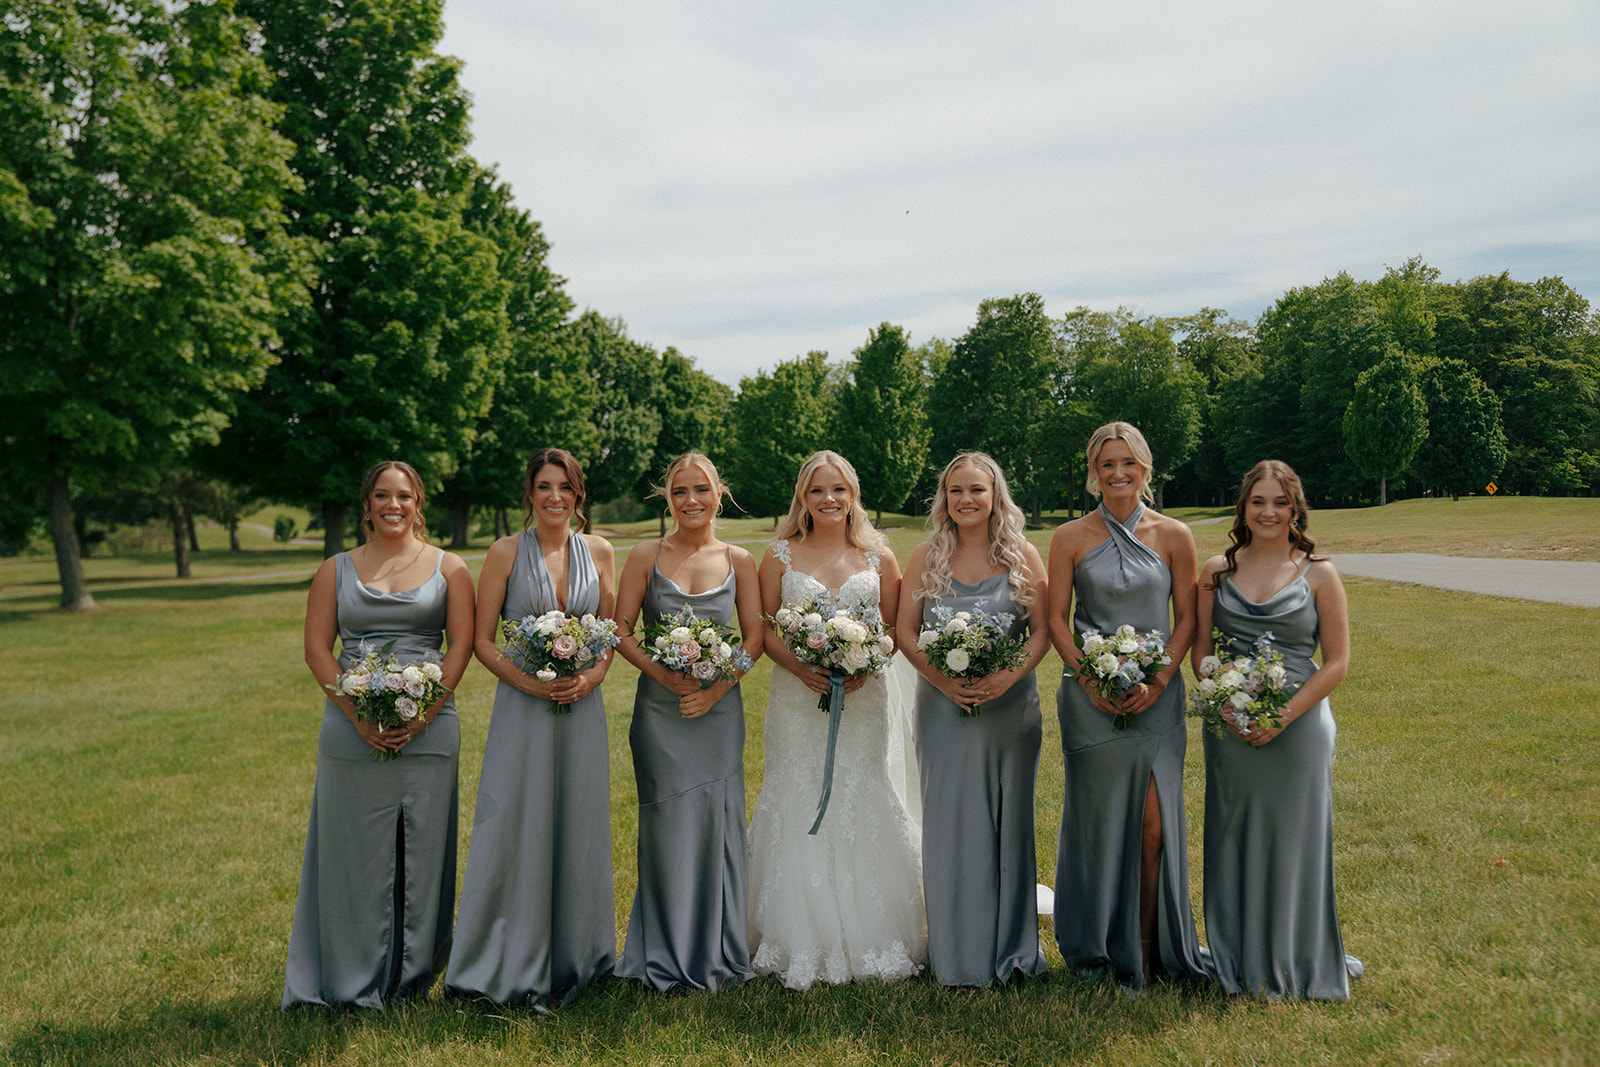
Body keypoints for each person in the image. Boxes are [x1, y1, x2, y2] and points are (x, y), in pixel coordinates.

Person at [283, 461, 475, 1009]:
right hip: (350, 727)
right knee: (351, 853)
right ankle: (346, 977)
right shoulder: (334, 569)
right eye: (383, 496)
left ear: (419, 503)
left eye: (405, 496)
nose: (394, 506)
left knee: (423, 850)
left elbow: (459, 646)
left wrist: (424, 714)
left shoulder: (450, 568)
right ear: (366, 504)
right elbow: (318, 650)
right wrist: (358, 715)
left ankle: (411, 979)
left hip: (432, 727)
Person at [747, 449, 927, 990]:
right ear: (802, 497)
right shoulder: (779, 555)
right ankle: (797, 936)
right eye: (818, 490)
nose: (829, 499)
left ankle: (873, 933)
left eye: (839, 490)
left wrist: (865, 664)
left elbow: (895, 628)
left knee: (859, 793)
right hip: (797, 700)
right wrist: (803, 667)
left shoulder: (878, 558)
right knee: (796, 792)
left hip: (862, 698)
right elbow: (766, 630)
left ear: (853, 497)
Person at [445, 448, 618, 1009]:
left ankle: (581, 956)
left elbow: (610, 632)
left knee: (579, 821)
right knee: (517, 821)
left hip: (582, 710)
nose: (554, 497)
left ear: (578, 495)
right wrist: (526, 683)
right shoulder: (502, 553)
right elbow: (481, 641)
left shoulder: (601, 551)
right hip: (522, 709)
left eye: (564, 487)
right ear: (529, 494)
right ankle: (503, 955)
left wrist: (591, 677)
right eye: (544, 486)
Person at [1192, 459, 1362, 1000]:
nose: (1269, 511)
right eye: (1258, 501)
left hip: (1301, 725)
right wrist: (1226, 706)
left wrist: (1283, 716)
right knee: (1233, 834)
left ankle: (1295, 954)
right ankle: (1235, 954)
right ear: (1243, 506)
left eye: (1280, 502)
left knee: (1294, 838)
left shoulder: (1320, 572)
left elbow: (1336, 661)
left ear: (1296, 508)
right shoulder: (1215, 570)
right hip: (1228, 722)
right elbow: (1200, 651)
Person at [1047, 422, 1208, 990]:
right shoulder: (1069, 536)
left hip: (1156, 699)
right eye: (1107, 463)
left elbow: (1187, 617)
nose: (1118, 473)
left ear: (1146, 467)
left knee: (1153, 827)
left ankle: (1149, 954)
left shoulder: (1175, 535)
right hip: (1089, 698)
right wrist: (1087, 677)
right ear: (1094, 470)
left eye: (1129, 462)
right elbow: (1054, 620)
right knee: (1098, 824)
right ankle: (1098, 947)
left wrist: (1159, 681)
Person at [896, 452, 1050, 988]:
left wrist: (1007, 678)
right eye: (956, 490)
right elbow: (904, 632)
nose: (966, 499)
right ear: (944, 498)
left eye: (977, 490)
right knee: (952, 821)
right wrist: (943, 681)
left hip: (1010, 709)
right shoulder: (925, 557)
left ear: (994, 496)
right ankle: (955, 952)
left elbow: (1041, 631)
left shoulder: (1022, 555)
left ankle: (1012, 950)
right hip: (943, 708)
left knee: (1009, 825)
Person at [612, 453, 764, 992]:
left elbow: (754, 641)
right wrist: (663, 674)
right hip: (660, 713)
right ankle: (661, 949)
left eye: (701, 489)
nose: (691, 500)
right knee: (666, 826)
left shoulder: (739, 559)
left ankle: (719, 947)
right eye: (680, 491)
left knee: (717, 825)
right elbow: (621, 630)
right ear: (667, 498)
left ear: (719, 494)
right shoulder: (643, 556)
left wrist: (718, 687)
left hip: (719, 714)